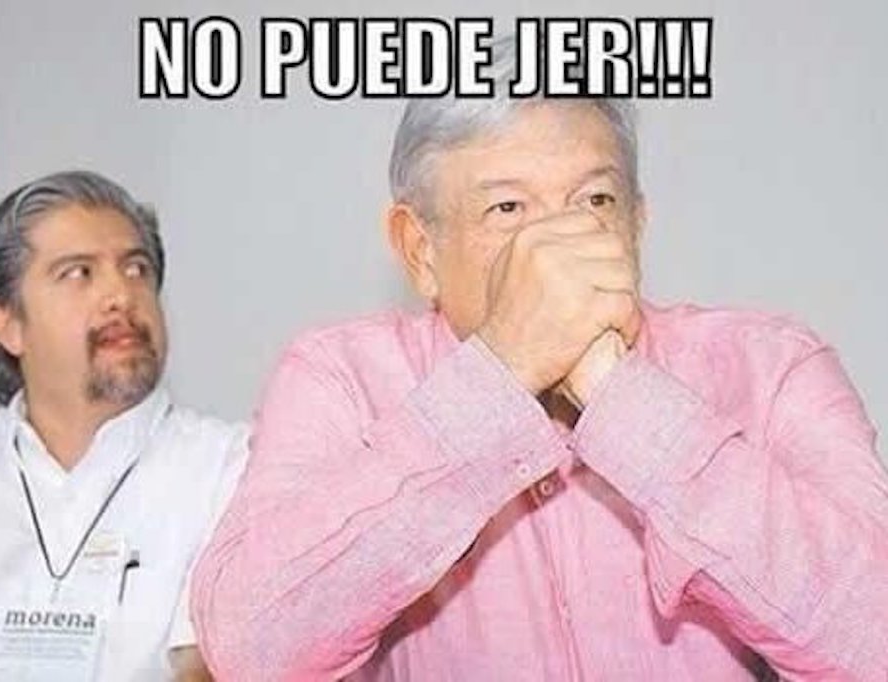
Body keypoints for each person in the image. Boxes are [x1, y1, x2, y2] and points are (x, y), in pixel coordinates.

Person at [191, 39, 888, 681]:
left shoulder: (770, 366)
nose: (558, 246)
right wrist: (500, 375)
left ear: (637, 222)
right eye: (508, 209)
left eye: (595, 200)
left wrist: (621, 397)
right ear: (419, 250)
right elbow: (252, 650)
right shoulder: (339, 379)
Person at [0, 170, 247, 681]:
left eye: (136, 269)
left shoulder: (230, 469)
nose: (120, 296)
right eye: (78, 273)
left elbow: (207, 670)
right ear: (8, 324)